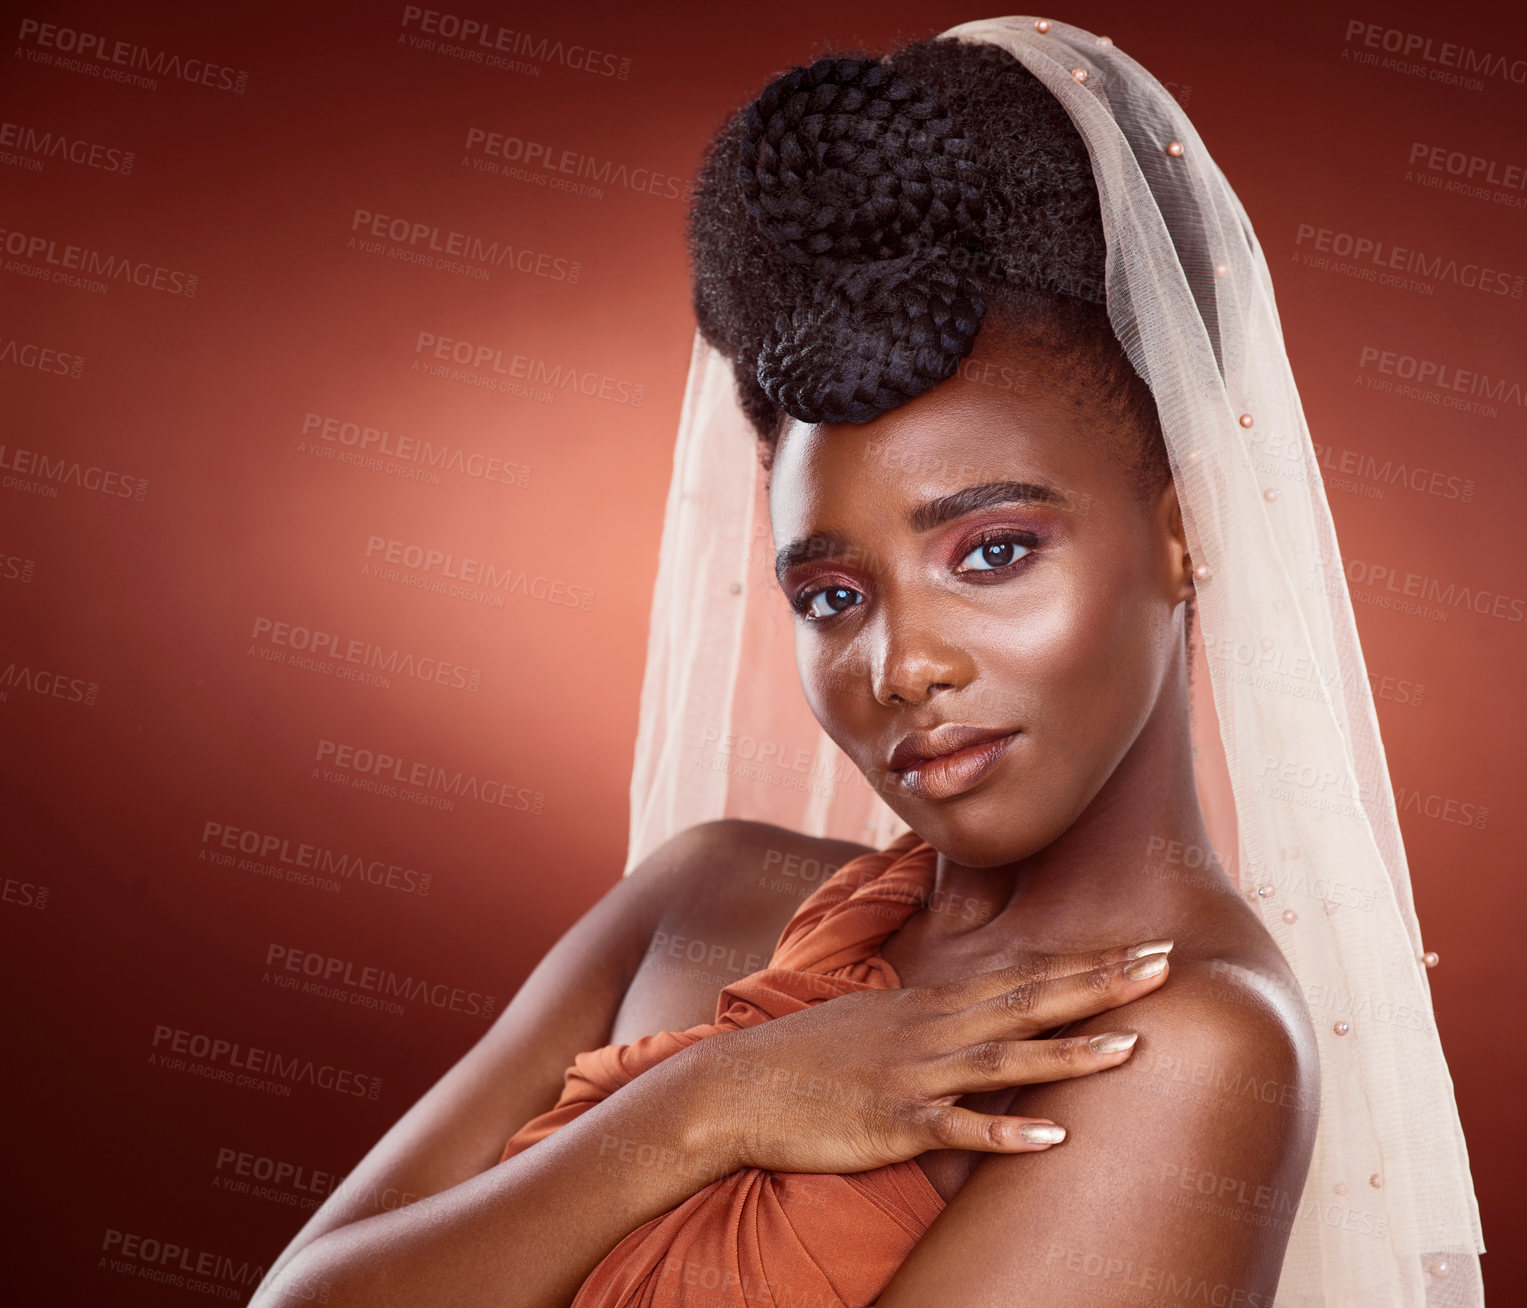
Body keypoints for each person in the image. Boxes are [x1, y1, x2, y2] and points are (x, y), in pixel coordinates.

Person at [252, 16, 1484, 1308]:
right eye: (833, 594)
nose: (900, 666)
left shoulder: (1186, 1046)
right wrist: (711, 1103)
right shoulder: (701, 894)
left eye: (993, 553)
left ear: (1185, 535)